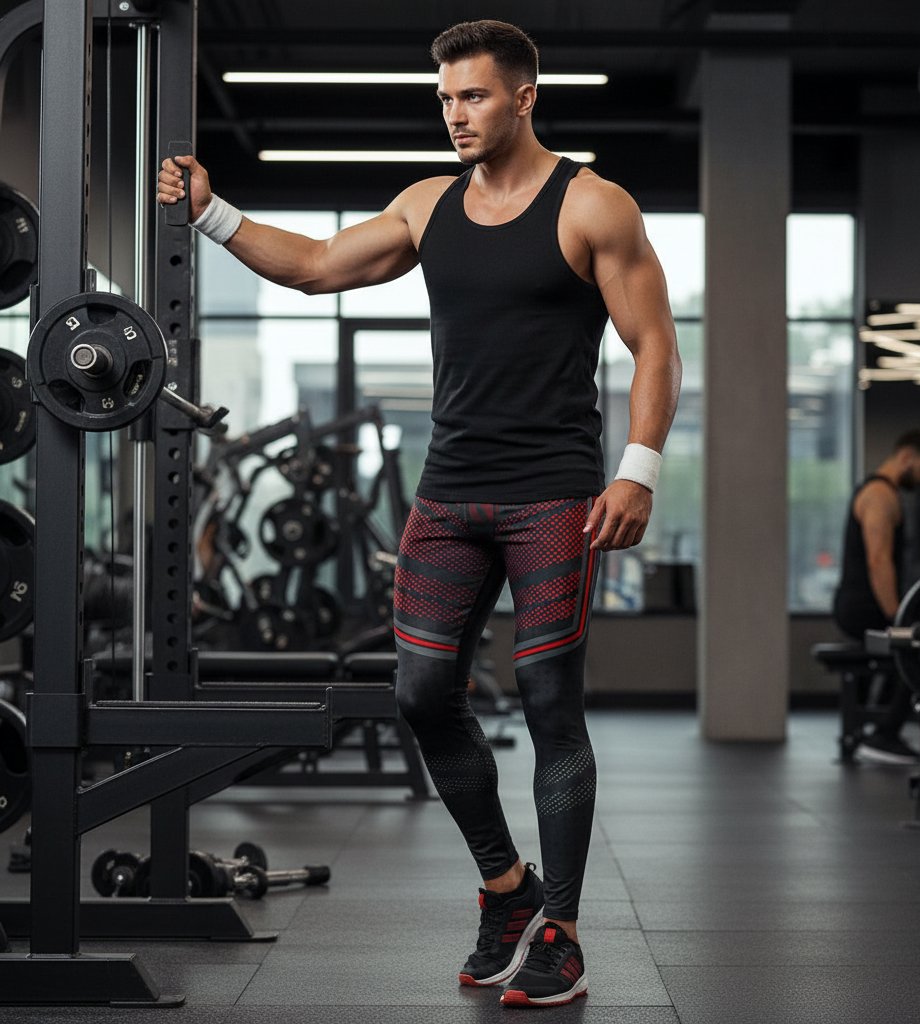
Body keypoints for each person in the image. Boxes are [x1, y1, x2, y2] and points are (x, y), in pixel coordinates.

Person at [158, 19, 680, 1009]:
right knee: (421, 692)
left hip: (554, 494)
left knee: (547, 704)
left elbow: (655, 343)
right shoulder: (426, 204)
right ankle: (505, 887)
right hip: (449, 491)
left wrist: (638, 470)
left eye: (473, 96)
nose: (454, 115)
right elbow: (317, 264)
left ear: (525, 96)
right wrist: (210, 212)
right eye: (444, 99)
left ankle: (561, 932)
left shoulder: (593, 206)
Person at [833, 429, 920, 764]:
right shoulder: (880, 496)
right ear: (905, 457)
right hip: (862, 606)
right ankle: (885, 732)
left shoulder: (882, 492)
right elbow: (878, 560)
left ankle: (864, 732)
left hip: (858, 604)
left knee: (913, 638)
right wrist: (898, 617)